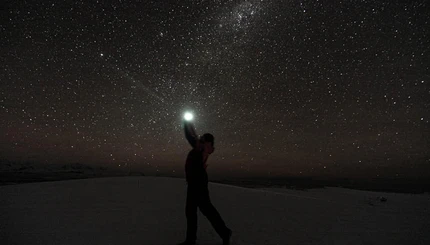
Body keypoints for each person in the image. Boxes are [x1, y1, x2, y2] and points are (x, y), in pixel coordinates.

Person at [178, 119, 232, 245]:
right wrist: (188, 125)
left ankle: (224, 232)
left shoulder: (201, 147)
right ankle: (191, 240)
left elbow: (190, 137)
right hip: (195, 183)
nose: (200, 139)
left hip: (198, 183)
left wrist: (187, 124)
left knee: (205, 210)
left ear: (206, 141)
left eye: (203, 139)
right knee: (194, 211)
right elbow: (191, 137)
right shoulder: (201, 147)